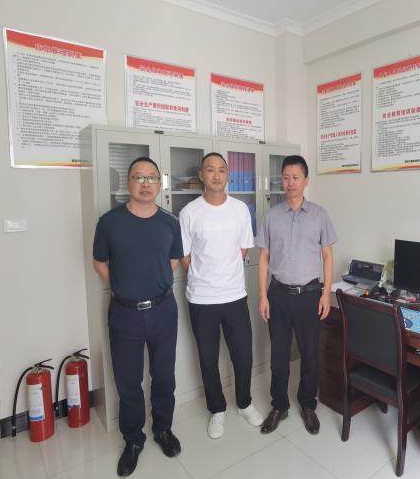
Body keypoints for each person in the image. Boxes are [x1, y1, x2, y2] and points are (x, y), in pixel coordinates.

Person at [92, 157, 182, 477]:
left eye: (151, 178)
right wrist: (123, 287)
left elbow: (173, 260)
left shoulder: (170, 222)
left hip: (162, 310)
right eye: (139, 177)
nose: (146, 184)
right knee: (128, 382)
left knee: (164, 376)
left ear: (159, 183)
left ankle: (163, 430)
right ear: (128, 182)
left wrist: (152, 285)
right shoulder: (109, 222)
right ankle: (133, 440)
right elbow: (99, 262)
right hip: (125, 313)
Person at [179, 152, 264, 439]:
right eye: (210, 170)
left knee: (243, 355)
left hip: (235, 295)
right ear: (201, 175)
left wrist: (223, 272)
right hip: (201, 299)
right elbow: (185, 256)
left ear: (228, 175)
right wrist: (205, 275)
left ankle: (244, 403)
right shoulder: (189, 212)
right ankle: (217, 409)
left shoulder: (240, 209)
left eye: (222, 170)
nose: (216, 175)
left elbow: (244, 248)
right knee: (208, 359)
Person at [256, 155, 337, 435]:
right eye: (286, 177)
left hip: (310, 295)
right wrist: (262, 296)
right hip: (278, 295)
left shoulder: (319, 215)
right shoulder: (271, 216)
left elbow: (327, 256)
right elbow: (263, 258)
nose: (290, 183)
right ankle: (279, 405)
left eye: (295, 177)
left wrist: (326, 294)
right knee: (278, 357)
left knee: (310, 354)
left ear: (305, 181)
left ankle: (308, 404)